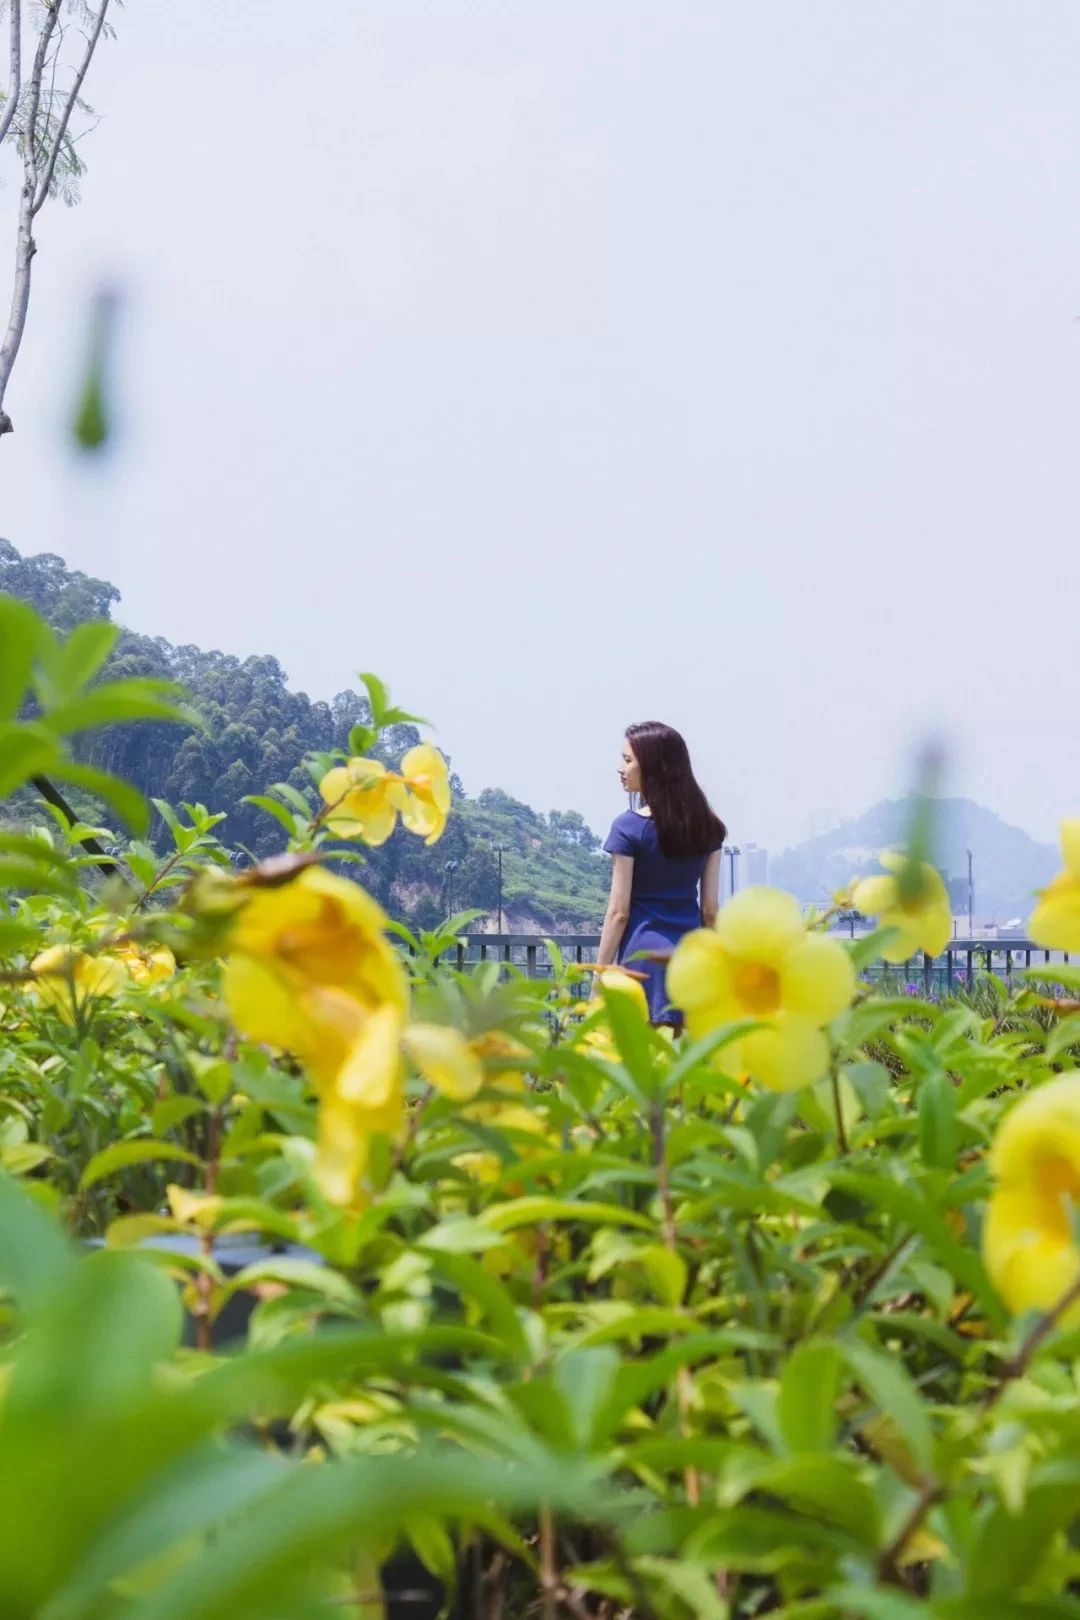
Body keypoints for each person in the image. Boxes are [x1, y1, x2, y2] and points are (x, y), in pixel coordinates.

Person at [597, 722, 726, 1026]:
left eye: (628, 760)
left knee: (643, 1062)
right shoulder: (709, 827)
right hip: (691, 958)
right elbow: (710, 911)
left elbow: (618, 912)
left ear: (653, 767)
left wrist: (599, 974)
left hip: (643, 961)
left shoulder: (628, 828)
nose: (620, 768)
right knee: (685, 1060)